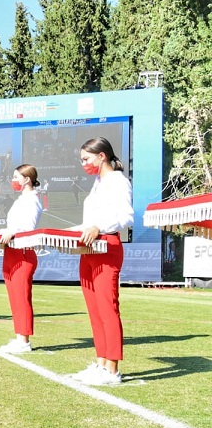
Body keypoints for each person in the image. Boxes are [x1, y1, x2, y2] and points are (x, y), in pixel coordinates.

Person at [68, 137, 134, 386]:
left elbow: (126, 216)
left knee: (107, 308)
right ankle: (100, 363)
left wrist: (99, 227)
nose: (83, 163)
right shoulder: (97, 183)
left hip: (107, 248)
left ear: (101, 156)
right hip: (89, 250)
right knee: (95, 310)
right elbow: (89, 224)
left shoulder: (117, 180)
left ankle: (113, 370)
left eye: (86, 158)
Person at [0, 165, 43, 353]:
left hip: (23, 252)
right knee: (14, 296)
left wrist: (12, 231)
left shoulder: (32, 200)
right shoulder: (21, 199)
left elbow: (28, 227)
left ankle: (24, 340)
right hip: (11, 251)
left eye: (16, 177)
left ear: (27, 179)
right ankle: (19, 337)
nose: (13, 180)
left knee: (22, 296)